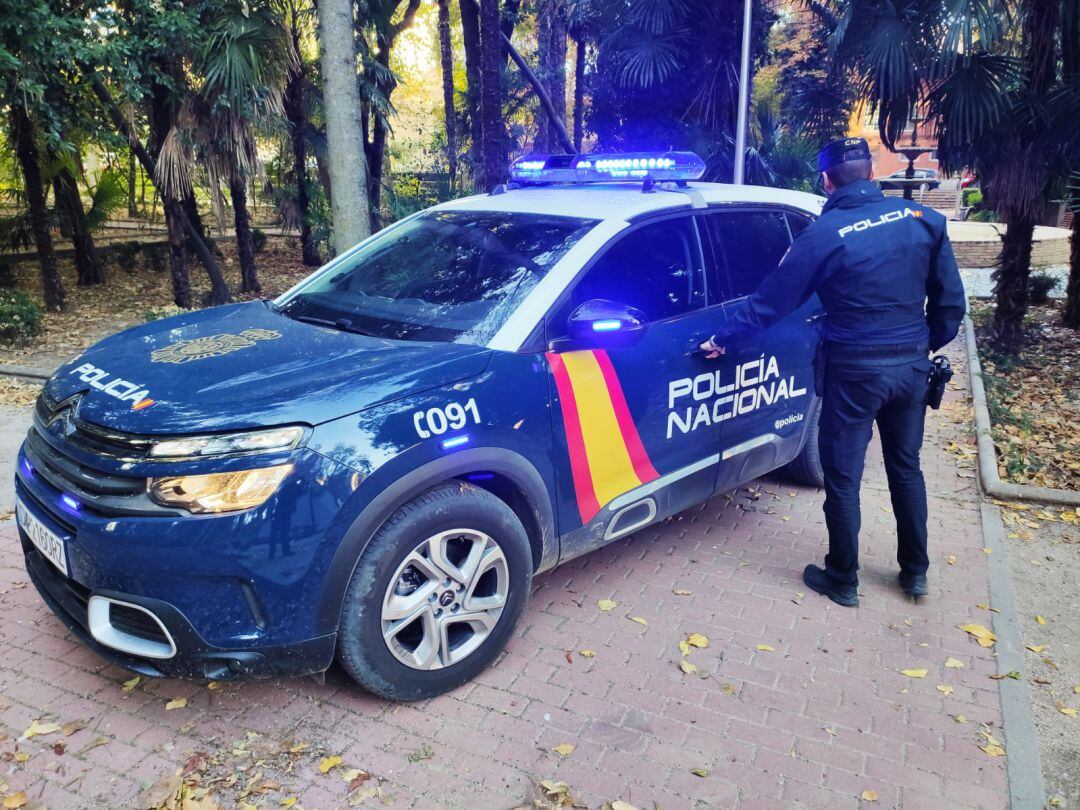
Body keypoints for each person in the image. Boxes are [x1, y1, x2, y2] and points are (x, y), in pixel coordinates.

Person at [699, 137, 966, 607]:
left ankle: (843, 578)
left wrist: (723, 340)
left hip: (854, 373)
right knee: (907, 469)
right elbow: (950, 307)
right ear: (869, 172)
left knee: (844, 478)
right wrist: (920, 348)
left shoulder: (824, 235)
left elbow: (772, 301)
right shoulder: (925, 222)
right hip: (911, 369)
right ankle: (915, 573)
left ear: (826, 180)